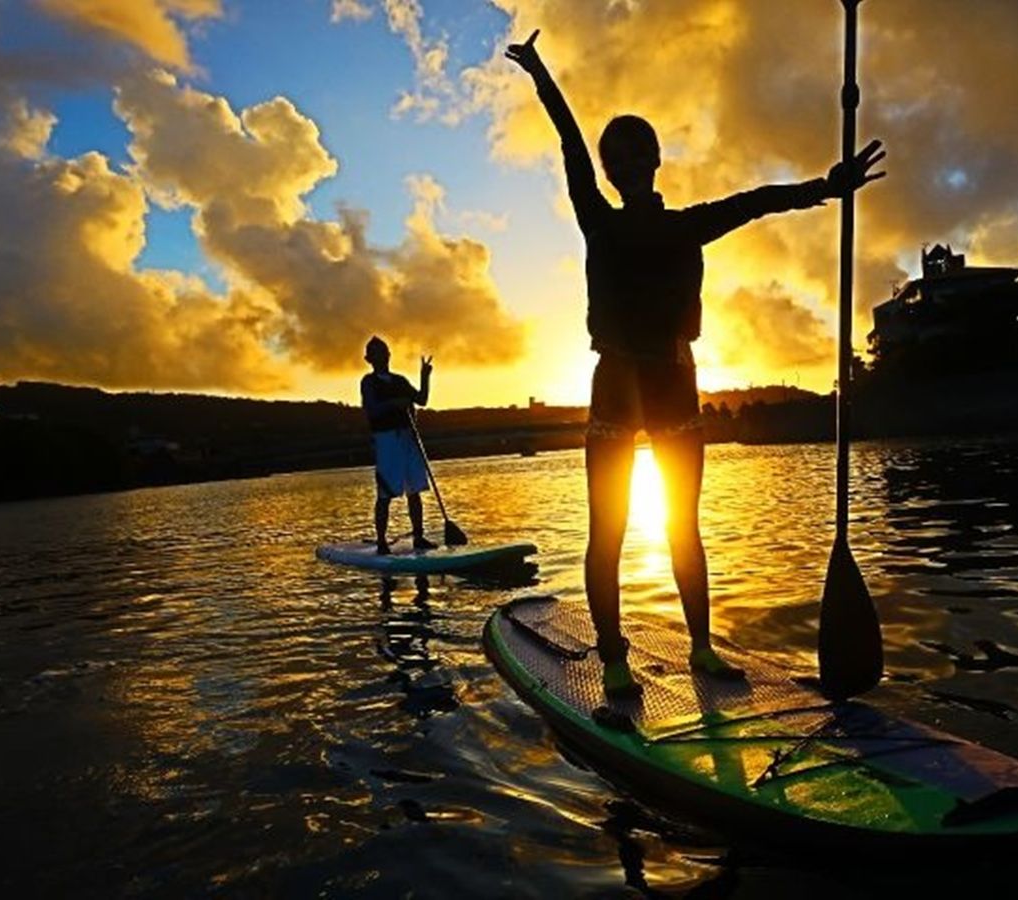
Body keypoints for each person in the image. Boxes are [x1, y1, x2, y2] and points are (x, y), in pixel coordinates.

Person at [505, 29, 886, 697]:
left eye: (631, 153)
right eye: (619, 157)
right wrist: (539, 74)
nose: (625, 164)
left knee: (662, 527)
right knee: (622, 529)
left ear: (648, 162)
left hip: (663, 386)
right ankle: (630, 656)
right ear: (628, 169)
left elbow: (753, 202)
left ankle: (688, 649)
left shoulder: (669, 223)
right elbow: (574, 146)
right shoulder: (617, 220)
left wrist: (825, 186)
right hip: (629, 385)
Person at [360, 336, 436, 555]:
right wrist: (395, 403)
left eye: (384, 351)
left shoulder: (400, 381)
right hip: (386, 440)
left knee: (414, 489)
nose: (383, 355)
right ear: (369, 359)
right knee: (385, 493)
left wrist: (424, 376)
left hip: (408, 437)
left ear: (389, 355)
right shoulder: (369, 382)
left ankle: (419, 537)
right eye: (377, 352)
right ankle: (381, 542)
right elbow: (372, 409)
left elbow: (421, 400)